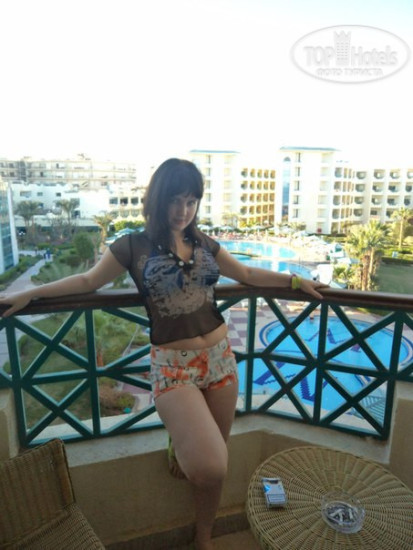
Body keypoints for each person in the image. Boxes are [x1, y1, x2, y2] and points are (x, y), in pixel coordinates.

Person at [0, 158, 328, 550]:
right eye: (174, 200)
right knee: (210, 464)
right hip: (174, 367)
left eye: (190, 201)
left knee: (216, 464)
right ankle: (178, 440)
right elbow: (88, 281)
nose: (182, 210)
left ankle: (203, 536)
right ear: (157, 200)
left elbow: (248, 275)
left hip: (221, 359)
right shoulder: (132, 246)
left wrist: (295, 281)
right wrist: (31, 294)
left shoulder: (204, 243)